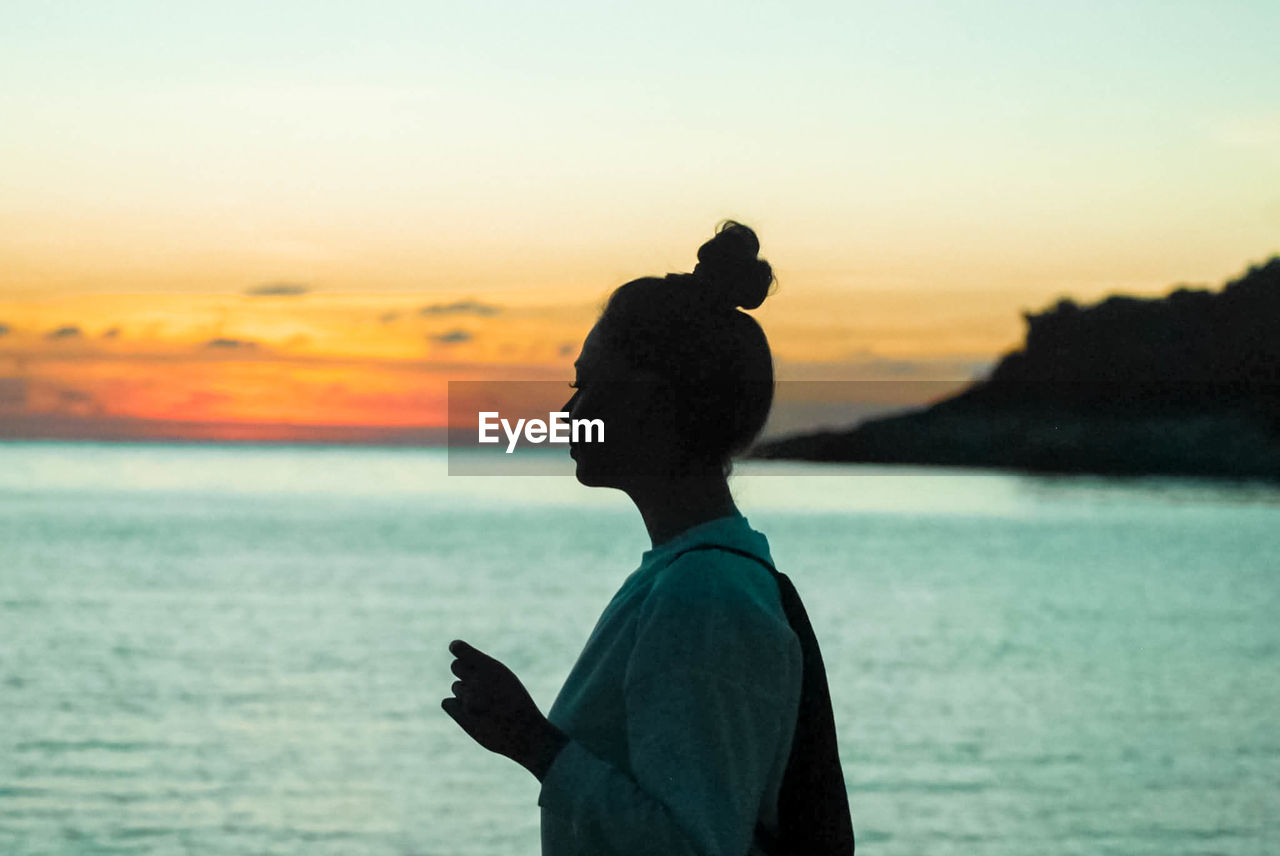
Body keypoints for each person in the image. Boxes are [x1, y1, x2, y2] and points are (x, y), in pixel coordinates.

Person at [443, 221, 852, 855]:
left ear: (651, 402)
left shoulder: (703, 596)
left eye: (586, 386)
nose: (566, 414)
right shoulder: (697, 579)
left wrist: (535, 744)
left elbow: (690, 845)